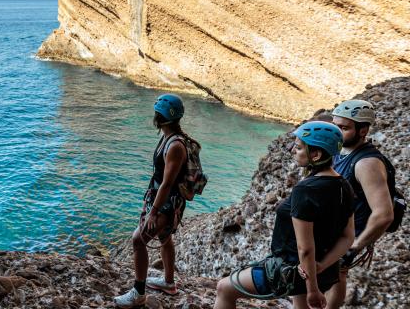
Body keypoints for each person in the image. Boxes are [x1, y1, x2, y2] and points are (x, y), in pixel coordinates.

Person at [214, 121, 355, 309]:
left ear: (316, 154)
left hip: (293, 271)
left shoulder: (305, 190)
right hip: (325, 272)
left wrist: (312, 288)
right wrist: (321, 266)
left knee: (224, 288)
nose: (291, 150)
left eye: (298, 147)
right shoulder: (344, 185)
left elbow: (305, 248)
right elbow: (348, 236)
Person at [115, 94, 189, 308]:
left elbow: (167, 184)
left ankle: (138, 293)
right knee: (165, 239)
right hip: (161, 199)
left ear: (160, 117)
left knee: (138, 240)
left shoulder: (175, 145)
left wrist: (153, 212)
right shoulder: (168, 136)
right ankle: (168, 282)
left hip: (165, 202)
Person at [326, 99, 394, 309]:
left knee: (336, 275)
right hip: (335, 229)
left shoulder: (367, 163)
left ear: (363, 130)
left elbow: (383, 214)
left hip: (346, 235)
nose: (337, 132)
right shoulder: (343, 149)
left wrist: (353, 248)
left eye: (344, 128)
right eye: (335, 126)